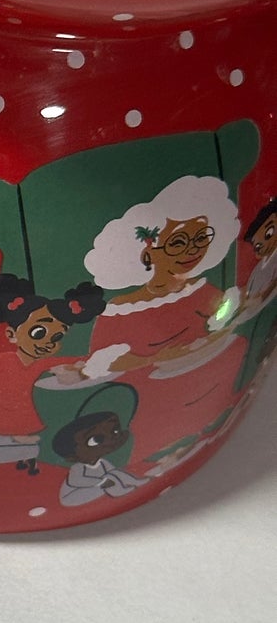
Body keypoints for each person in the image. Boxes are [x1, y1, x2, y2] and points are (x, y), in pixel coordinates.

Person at [81, 174, 242, 474]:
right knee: (156, 451)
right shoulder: (120, 310)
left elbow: (222, 315)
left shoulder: (199, 289)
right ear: (148, 251)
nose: (191, 251)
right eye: (178, 242)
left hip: (209, 378)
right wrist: (154, 358)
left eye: (200, 238)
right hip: (156, 395)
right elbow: (100, 364)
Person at [0, 273, 105, 475]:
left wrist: (88, 359)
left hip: (16, 403)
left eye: (57, 336)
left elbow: (59, 361)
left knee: (21, 422)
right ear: (11, 335)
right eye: (38, 333)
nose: (48, 343)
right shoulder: (3, 360)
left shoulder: (39, 364)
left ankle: (17, 436)